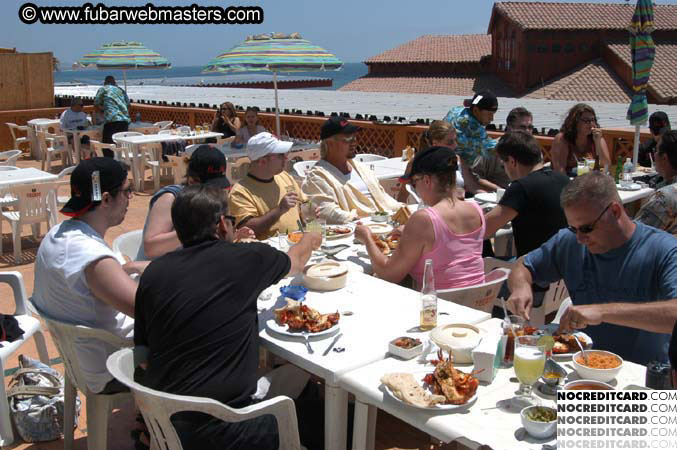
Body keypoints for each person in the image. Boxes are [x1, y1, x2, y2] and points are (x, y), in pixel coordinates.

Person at [134, 184, 320, 449]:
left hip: (166, 424)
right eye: (231, 220)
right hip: (226, 429)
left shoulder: (153, 274)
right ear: (222, 224)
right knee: (303, 378)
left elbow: (141, 355)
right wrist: (311, 235)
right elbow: (297, 262)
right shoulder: (247, 259)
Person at [507, 171, 677, 365]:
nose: (579, 238)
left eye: (586, 228)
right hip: (582, 367)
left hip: (641, 378)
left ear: (615, 212)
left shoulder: (663, 249)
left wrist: (602, 312)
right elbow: (523, 265)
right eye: (573, 228)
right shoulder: (570, 242)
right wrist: (521, 285)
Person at [32, 158, 146, 394]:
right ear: (105, 199)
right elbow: (149, 310)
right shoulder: (92, 256)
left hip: (81, 361)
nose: (129, 199)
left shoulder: (58, 234)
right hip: (110, 368)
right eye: (127, 191)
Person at [355, 146, 485, 288]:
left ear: (427, 181)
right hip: (477, 303)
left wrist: (367, 238)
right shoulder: (476, 209)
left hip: (439, 306)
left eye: (414, 183)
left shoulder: (424, 219)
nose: (414, 188)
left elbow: (389, 274)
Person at [138, 145, 254, 260]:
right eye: (210, 187)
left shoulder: (214, 198)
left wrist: (232, 235)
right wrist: (201, 228)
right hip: (158, 269)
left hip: (192, 264)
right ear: (192, 180)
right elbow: (151, 249)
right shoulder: (170, 198)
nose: (215, 191)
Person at [484, 130, 569, 257]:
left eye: (504, 165)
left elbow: (485, 229)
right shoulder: (563, 179)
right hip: (565, 261)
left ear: (512, 162)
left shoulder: (521, 187)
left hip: (535, 267)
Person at [302, 116, 402, 224]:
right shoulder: (316, 177)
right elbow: (326, 211)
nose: (354, 142)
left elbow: (384, 199)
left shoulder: (361, 168)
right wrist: (358, 220)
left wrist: (403, 208)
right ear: (330, 143)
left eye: (355, 138)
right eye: (348, 139)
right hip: (358, 229)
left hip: (385, 222)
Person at [229, 132, 303, 240]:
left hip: (298, 244)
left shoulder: (285, 177)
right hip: (270, 252)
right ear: (262, 161)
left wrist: (315, 228)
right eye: (280, 154)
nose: (286, 158)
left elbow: (305, 209)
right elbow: (246, 230)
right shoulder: (240, 192)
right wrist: (279, 210)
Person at [443, 91, 499, 194]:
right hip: (455, 170)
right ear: (476, 110)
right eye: (489, 114)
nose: (492, 119)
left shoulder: (456, 110)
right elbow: (492, 149)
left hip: (447, 159)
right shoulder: (472, 125)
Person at [396, 120, 464, 203]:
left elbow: (468, 185)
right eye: (450, 142)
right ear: (435, 143)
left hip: (456, 206)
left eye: (455, 140)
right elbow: (402, 197)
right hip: (429, 209)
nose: (455, 145)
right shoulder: (416, 164)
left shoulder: (454, 159)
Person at [470, 107, 533, 192]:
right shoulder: (491, 149)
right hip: (496, 197)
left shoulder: (534, 151)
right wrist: (501, 191)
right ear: (510, 128)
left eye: (530, 127)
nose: (527, 131)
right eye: (522, 127)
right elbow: (475, 176)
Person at [550, 103, 611, 175]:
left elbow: (606, 166)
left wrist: (597, 142)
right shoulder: (562, 139)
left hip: (591, 181)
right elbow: (559, 170)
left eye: (593, 120)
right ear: (575, 122)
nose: (591, 124)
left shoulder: (597, 138)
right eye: (586, 120)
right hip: (568, 181)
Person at [635, 131, 677, 235]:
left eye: (656, 150)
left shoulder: (663, 199)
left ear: (664, 157)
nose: (654, 154)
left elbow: (636, 236)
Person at [94, 76, 131, 156]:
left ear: (105, 82)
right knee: (121, 145)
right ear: (115, 82)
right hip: (124, 120)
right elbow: (128, 104)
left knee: (108, 146)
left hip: (112, 119)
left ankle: (110, 165)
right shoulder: (121, 90)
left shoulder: (103, 89)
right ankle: (122, 163)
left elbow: (96, 103)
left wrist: (103, 110)